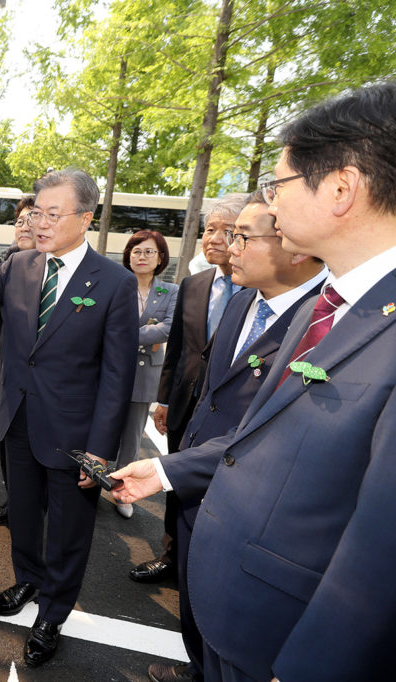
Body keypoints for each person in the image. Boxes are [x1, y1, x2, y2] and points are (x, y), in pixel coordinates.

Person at [113, 82, 396, 681]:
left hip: (284, 645)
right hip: (231, 610)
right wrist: (164, 469)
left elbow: (379, 564)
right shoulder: (332, 306)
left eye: (280, 183)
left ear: (342, 188)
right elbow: (257, 439)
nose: (269, 202)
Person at [0, 169, 137, 668]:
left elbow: (117, 376)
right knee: (22, 514)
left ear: (86, 217)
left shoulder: (115, 283)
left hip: (76, 434)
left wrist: (101, 449)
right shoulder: (19, 265)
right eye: (37, 210)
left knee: (68, 529)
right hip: (17, 419)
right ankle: (27, 580)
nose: (40, 221)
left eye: (53, 213)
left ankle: (53, 612)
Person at [146, 194, 325, 682]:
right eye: (229, 234)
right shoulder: (243, 299)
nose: (227, 245)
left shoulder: (323, 324)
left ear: (295, 247)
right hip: (193, 488)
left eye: (244, 236)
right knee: (193, 601)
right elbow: (212, 394)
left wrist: (164, 470)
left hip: (251, 505)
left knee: (232, 626)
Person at [129, 194, 246, 583]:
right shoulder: (194, 284)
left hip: (231, 413)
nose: (213, 238)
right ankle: (171, 554)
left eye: (225, 231)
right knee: (175, 478)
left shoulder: (257, 293)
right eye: (209, 229)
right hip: (184, 405)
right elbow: (178, 348)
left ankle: (206, 567)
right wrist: (163, 401)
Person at [113, 230, 178, 519]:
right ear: (128, 256)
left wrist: (124, 334)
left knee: (132, 436)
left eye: (149, 252)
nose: (141, 257)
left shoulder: (171, 291)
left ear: (160, 258)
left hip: (144, 373)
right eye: (136, 251)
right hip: (111, 368)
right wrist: (146, 335)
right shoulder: (116, 285)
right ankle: (93, 474)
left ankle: (121, 489)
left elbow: (169, 327)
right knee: (101, 426)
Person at [0, 196, 35, 525]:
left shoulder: (61, 268)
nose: (25, 226)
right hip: (8, 370)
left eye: (33, 220)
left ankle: (36, 503)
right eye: (20, 221)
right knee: (7, 439)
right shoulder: (7, 263)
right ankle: (14, 500)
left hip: (47, 380)